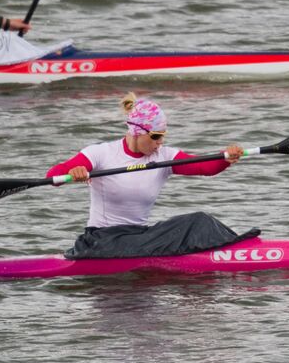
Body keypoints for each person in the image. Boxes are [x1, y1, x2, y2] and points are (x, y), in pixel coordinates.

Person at [44, 93, 254, 258]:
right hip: (103, 240)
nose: (159, 143)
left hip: (138, 236)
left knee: (199, 220)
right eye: (155, 137)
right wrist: (74, 173)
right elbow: (53, 175)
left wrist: (225, 157)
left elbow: (203, 167)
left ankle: (237, 250)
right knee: (198, 222)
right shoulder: (101, 153)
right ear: (137, 131)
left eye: (163, 136)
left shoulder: (163, 156)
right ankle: (238, 252)